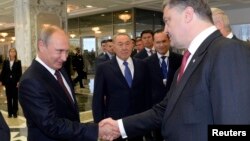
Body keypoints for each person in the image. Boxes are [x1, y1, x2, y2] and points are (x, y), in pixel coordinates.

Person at [99, 0, 250, 141]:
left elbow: (235, 129)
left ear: (188, 15)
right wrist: (119, 126)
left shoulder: (227, 51)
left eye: (167, 20)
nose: (166, 30)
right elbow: (165, 109)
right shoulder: (189, 60)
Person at [18, 24, 118, 141]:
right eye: (59, 51)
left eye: (66, 52)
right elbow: (52, 125)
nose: (64, 58)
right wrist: (96, 130)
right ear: (41, 45)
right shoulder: (31, 80)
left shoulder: (60, 69)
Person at [93, 33, 150, 141]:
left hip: (137, 121)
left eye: (127, 44)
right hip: (114, 123)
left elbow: (147, 94)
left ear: (132, 45)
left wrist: (148, 119)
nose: (124, 47)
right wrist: (99, 125)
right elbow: (98, 99)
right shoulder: (104, 68)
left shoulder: (142, 65)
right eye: (120, 44)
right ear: (113, 47)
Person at [144, 29, 182, 141]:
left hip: (176, 107)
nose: (161, 45)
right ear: (153, 44)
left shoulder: (180, 60)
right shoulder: (146, 63)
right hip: (156, 109)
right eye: (158, 42)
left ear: (169, 41)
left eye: (164, 41)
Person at [0, 48, 22, 118]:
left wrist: (19, 81)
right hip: (8, 83)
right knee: (9, 98)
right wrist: (1, 81)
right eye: (11, 52)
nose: (12, 53)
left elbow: (20, 73)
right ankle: (10, 112)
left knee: (15, 98)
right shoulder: (5, 61)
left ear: (15, 53)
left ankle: (15, 112)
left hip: (15, 83)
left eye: (14, 52)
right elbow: (3, 72)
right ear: (9, 53)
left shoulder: (18, 62)